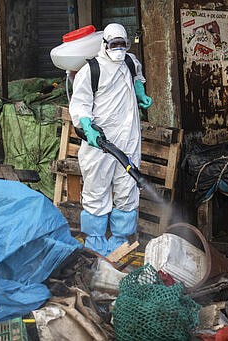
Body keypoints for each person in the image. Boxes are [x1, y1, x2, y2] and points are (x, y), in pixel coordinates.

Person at [69, 23, 153, 256]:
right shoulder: (91, 70)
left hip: (128, 141)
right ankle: (95, 244)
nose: (118, 49)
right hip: (101, 145)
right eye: (114, 44)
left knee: (127, 191)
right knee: (96, 191)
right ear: (104, 44)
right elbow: (80, 104)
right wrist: (87, 126)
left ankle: (119, 242)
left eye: (122, 44)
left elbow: (136, 77)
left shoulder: (129, 61)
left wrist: (141, 94)